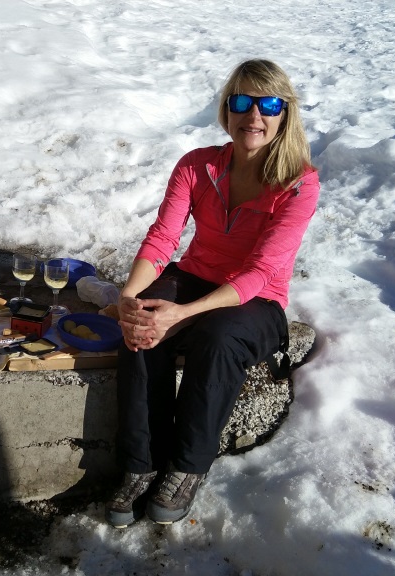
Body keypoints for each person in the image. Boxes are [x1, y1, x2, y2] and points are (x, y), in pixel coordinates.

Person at [106, 59, 320, 527]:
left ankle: (187, 467)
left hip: (256, 301)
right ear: (226, 109)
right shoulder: (197, 165)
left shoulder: (298, 183)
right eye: (241, 102)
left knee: (217, 338)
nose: (253, 116)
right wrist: (129, 297)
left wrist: (184, 312)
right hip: (196, 276)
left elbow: (261, 271)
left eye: (269, 104)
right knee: (142, 322)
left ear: (285, 113)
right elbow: (163, 238)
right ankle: (141, 464)